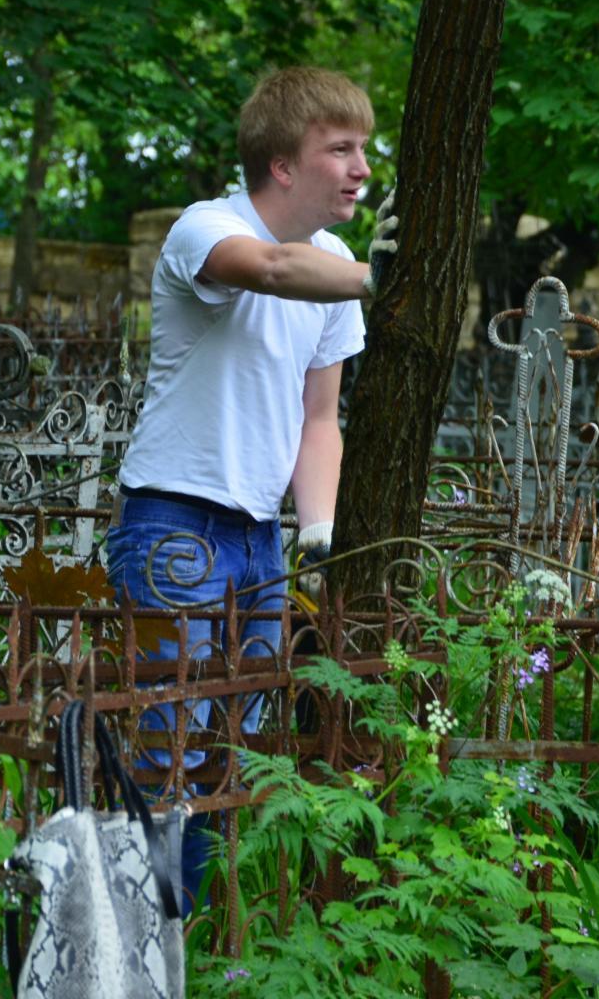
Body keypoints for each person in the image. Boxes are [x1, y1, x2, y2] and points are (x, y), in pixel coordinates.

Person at [104, 65, 396, 910]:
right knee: (167, 748)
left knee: (235, 752)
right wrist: (387, 281)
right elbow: (268, 268)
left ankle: (189, 941)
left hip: (257, 540)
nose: (360, 168)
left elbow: (318, 421)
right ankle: (135, 938)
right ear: (281, 164)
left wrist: (317, 538)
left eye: (363, 149)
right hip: (170, 523)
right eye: (339, 149)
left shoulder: (338, 263)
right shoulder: (206, 228)